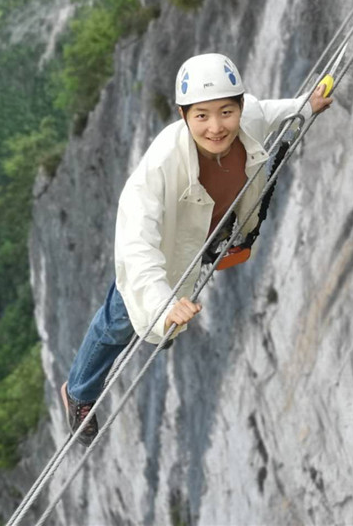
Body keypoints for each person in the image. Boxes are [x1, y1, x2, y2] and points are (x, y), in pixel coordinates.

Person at [60, 53, 334, 446]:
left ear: (240, 105)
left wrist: (306, 106)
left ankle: (163, 315)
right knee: (118, 323)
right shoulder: (161, 165)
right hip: (159, 257)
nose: (216, 126)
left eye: (226, 111)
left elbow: (269, 112)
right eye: (201, 116)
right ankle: (79, 392)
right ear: (183, 115)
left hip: (201, 242)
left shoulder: (246, 120)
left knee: (157, 318)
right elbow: (137, 245)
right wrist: (162, 305)